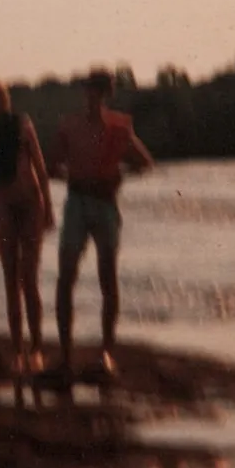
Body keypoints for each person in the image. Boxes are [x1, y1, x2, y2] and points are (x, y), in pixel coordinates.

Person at [49, 69, 154, 380]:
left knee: (107, 276)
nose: (92, 95)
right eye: (89, 89)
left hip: (105, 203)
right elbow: (50, 165)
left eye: (98, 90)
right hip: (78, 201)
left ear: (105, 94)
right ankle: (66, 355)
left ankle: (106, 352)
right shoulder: (69, 126)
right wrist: (72, 176)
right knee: (66, 275)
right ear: (85, 92)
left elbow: (145, 162)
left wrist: (120, 174)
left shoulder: (118, 127)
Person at [0, 78, 54, 375]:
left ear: (3, 100)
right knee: (11, 281)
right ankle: (18, 350)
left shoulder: (21, 124)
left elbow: (40, 168)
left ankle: (37, 349)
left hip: (31, 204)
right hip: (5, 207)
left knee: (29, 278)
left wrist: (49, 208)